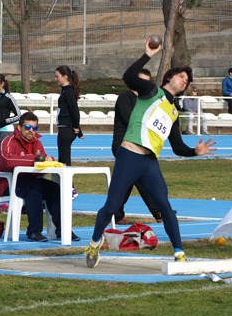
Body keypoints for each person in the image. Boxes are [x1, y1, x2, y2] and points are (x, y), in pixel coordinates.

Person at [85, 37, 217, 268]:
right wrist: (147, 55)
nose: (184, 81)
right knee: (111, 206)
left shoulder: (174, 112)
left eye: (187, 80)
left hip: (149, 163)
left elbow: (177, 147)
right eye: (181, 76)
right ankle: (95, 242)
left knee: (165, 207)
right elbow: (128, 77)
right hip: (129, 155)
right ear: (169, 78)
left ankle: (179, 253)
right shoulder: (150, 91)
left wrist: (195, 152)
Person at [0, 112, 80, 242]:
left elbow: (41, 162)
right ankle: (34, 231)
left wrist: (49, 161)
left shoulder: (37, 143)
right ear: (19, 128)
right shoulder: (9, 141)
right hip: (7, 183)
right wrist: (35, 160)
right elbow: (7, 161)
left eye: (34, 128)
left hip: (30, 180)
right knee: (34, 188)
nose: (31, 131)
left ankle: (63, 230)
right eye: (28, 127)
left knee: (55, 189)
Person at [112, 68, 164, 225]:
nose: (144, 84)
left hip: (141, 143)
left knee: (126, 182)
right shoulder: (125, 98)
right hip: (124, 143)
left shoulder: (147, 100)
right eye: (141, 80)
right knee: (141, 177)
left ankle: (116, 214)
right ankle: (158, 211)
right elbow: (131, 120)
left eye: (147, 81)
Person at [55, 65, 85, 199]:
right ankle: (67, 188)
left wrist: (77, 128)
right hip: (64, 128)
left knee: (65, 161)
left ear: (65, 77)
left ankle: (71, 189)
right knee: (62, 160)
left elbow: (74, 110)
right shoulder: (65, 91)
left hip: (66, 129)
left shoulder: (68, 92)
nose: (55, 79)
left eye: (57, 76)